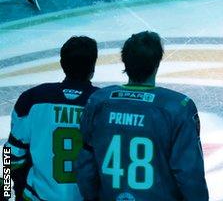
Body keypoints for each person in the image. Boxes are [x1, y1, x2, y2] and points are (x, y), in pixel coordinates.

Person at [76, 31, 208, 200]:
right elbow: (189, 174)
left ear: (124, 61)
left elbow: (86, 165)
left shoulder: (98, 101)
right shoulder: (178, 107)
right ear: (157, 63)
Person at [6, 36, 98, 201]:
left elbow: (10, 154)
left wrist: (6, 191)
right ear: (93, 67)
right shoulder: (103, 103)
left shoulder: (32, 99)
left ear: (62, 64)